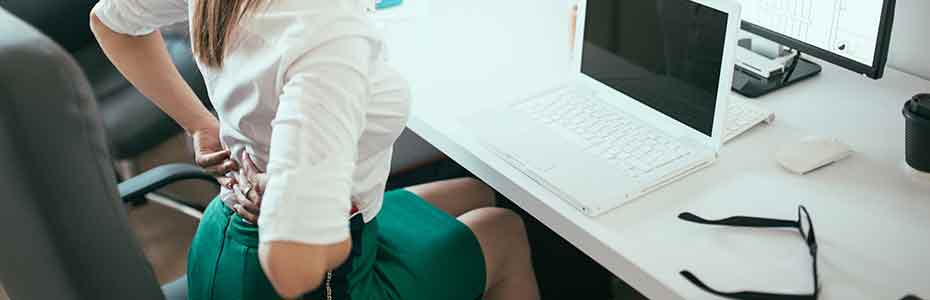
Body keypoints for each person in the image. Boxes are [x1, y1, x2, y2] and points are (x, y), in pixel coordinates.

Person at [89, 0, 540, 299]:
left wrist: (202, 125)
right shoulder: (326, 35)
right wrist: (309, 191)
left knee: (473, 194)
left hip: (223, 237)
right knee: (503, 230)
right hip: (300, 280)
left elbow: (109, 22)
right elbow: (293, 264)